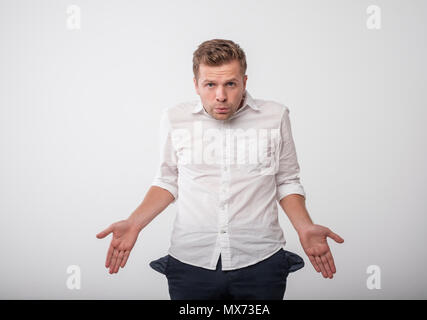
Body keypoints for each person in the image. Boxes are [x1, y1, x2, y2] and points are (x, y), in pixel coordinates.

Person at [96, 39, 344, 300]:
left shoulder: (276, 116)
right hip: (191, 262)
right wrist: (135, 223)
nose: (221, 96)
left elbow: (286, 181)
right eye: (210, 84)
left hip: (260, 261)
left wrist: (304, 227)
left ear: (244, 82)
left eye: (230, 84)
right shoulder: (174, 118)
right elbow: (168, 180)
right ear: (196, 85)